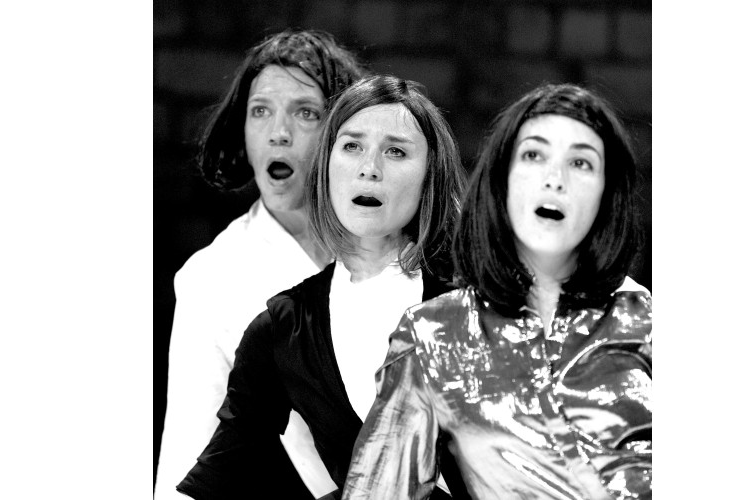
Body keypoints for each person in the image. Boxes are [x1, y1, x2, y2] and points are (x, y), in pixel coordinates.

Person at [342, 83, 652, 500]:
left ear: (606, 193)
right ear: (501, 182)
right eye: (533, 156)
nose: (554, 180)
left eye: (580, 163)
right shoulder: (434, 333)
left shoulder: (646, 319)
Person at [176, 74, 468, 500]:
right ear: (326, 166)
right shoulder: (284, 326)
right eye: (351, 146)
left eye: (396, 151)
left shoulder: (477, 305)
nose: (370, 167)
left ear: (430, 175)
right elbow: (220, 472)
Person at [156, 29, 367, 500]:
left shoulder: (394, 248)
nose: (278, 132)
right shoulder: (212, 278)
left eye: (305, 112)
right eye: (261, 111)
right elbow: (187, 458)